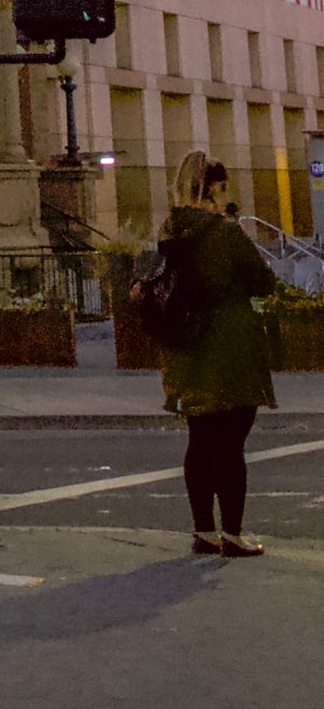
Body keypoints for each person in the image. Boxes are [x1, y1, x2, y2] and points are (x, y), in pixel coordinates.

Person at [157, 149, 276, 558]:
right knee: (231, 444)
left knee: (200, 441)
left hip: (185, 351)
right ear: (212, 188)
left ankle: (204, 532)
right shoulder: (224, 234)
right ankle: (234, 535)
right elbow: (264, 281)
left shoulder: (171, 231)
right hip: (229, 350)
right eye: (223, 188)